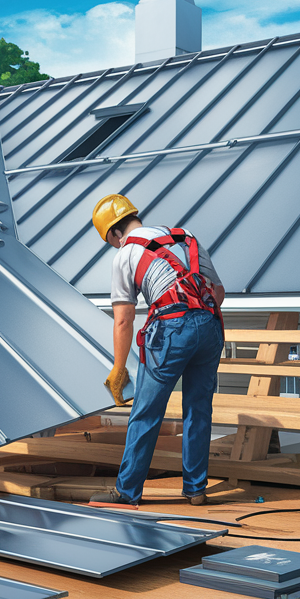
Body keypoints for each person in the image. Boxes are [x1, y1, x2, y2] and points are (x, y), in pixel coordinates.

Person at [89, 194, 225, 507]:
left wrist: (119, 368)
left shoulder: (126, 254)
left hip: (172, 330)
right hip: (210, 326)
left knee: (147, 411)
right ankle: (195, 490)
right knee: (198, 409)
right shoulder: (185, 237)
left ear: (114, 234)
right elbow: (217, 292)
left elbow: (123, 320)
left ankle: (127, 492)